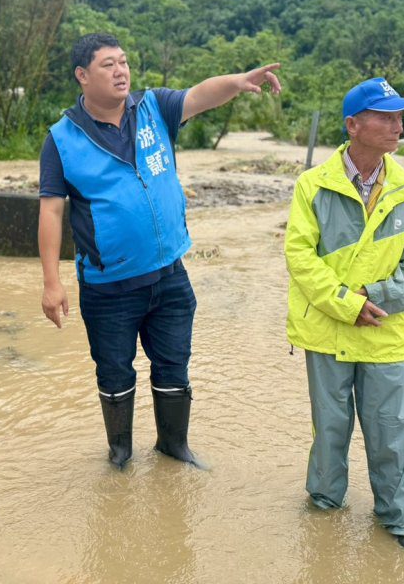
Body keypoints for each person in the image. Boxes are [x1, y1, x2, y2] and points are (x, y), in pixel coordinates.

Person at [38, 32, 280, 470]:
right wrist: (51, 284)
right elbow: (52, 212)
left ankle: (174, 446)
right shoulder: (61, 139)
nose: (120, 71)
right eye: (108, 64)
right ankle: (120, 454)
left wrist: (239, 80)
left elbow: (201, 95)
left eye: (124, 62)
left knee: (174, 364)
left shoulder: (154, 108)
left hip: (169, 275)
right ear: (82, 75)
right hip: (108, 285)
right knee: (114, 372)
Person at [283, 77, 404, 549]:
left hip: (383, 330)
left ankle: (395, 521)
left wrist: (381, 298)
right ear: (354, 125)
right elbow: (299, 256)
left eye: (400, 116)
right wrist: (348, 305)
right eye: (387, 116)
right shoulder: (312, 186)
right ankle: (325, 514)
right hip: (328, 329)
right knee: (329, 430)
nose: (398, 125)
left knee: (393, 430)